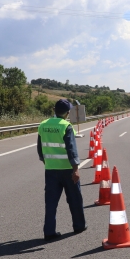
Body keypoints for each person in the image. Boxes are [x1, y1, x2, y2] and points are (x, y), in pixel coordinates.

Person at [37, 99, 87, 240]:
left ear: (54, 109)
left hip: (51, 169)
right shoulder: (66, 126)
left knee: (51, 202)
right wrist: (76, 169)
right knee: (74, 199)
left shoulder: (42, 125)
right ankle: (79, 226)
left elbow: (40, 149)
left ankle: (49, 232)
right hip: (67, 169)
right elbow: (71, 150)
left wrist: (46, 162)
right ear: (67, 113)